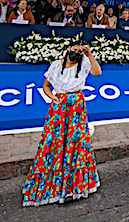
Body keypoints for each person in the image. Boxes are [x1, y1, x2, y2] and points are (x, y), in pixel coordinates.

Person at [22, 42, 101, 205]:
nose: (76, 53)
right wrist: (53, 97)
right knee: (54, 142)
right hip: (59, 107)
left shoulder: (84, 63)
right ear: (68, 49)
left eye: (80, 51)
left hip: (76, 107)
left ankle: (73, 185)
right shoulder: (56, 66)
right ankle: (54, 182)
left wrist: (89, 54)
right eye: (75, 50)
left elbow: (97, 72)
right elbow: (46, 86)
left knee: (76, 143)